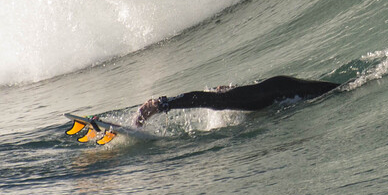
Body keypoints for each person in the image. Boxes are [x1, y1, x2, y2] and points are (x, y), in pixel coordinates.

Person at [135, 74, 339, 125]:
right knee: (219, 101)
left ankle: (163, 104)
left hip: (277, 88)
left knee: (221, 100)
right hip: (276, 90)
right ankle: (160, 104)